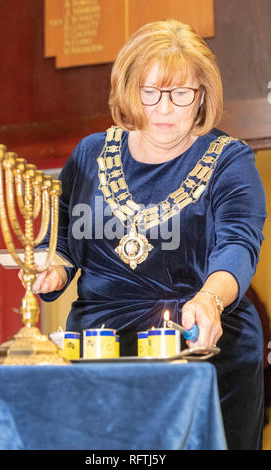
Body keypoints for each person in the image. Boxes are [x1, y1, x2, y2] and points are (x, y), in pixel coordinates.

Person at [19, 20, 267, 449]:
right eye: (150, 93)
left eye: (181, 94)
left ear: (202, 95)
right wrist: (53, 271)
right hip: (101, 347)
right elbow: (61, 242)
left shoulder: (230, 161)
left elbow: (238, 245)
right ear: (129, 92)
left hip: (201, 343)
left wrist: (209, 300)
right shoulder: (90, 154)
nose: (165, 108)